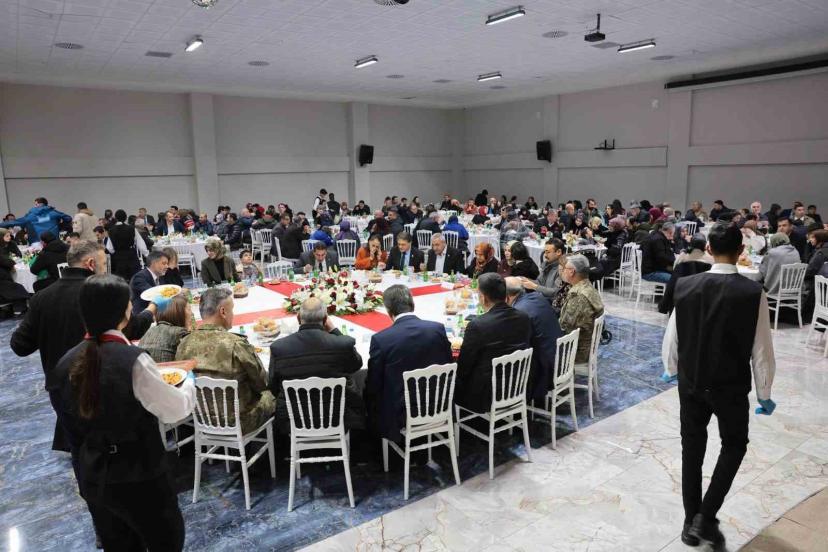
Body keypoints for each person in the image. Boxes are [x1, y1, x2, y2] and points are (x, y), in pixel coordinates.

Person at [51, 274, 193, 551]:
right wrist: (189, 384)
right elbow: (174, 410)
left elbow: (71, 430)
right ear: (126, 312)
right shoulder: (133, 361)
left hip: (94, 476)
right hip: (140, 474)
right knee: (165, 542)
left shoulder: (65, 362)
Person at [662, 222, 776, 548]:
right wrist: (764, 393)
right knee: (734, 445)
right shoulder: (752, 293)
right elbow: (761, 349)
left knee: (692, 448)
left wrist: (671, 369)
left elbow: (673, 336)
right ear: (741, 251)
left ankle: (691, 522)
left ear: (709, 249)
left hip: (691, 382)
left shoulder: (685, 285)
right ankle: (706, 516)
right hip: (730, 385)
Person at [176, 287, 276, 434]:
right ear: (223, 312)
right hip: (239, 422)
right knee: (273, 394)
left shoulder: (183, 343)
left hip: (201, 419)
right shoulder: (235, 344)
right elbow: (262, 382)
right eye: (232, 310)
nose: (233, 314)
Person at [364, 285, 452, 441]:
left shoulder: (382, 339)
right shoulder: (437, 329)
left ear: (388, 310)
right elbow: (449, 363)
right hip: (438, 403)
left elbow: (374, 383)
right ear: (412, 304)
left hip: (401, 413)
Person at [266, 296, 365, 433]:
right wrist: (334, 330)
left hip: (294, 419)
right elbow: (356, 365)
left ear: (298, 318)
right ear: (325, 320)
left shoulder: (279, 348)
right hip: (339, 417)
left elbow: (273, 386)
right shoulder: (341, 344)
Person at [455, 273, 532, 413]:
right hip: (517, 385)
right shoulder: (524, 317)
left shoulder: (478, 325)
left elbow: (464, 366)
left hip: (485, 395)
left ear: (483, 298)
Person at [504, 277, 562, 403]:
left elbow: (515, 345)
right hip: (559, 357)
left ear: (506, 297)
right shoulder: (538, 297)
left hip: (545, 369)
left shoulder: (518, 312)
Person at [559, 255, 605, 363]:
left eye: (564, 268)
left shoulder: (578, 296)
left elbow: (566, 327)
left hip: (578, 351)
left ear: (571, 271)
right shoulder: (588, 287)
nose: (562, 271)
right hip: (587, 345)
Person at [659, 235, 712, 314]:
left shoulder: (682, 258)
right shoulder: (711, 260)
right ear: (705, 246)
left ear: (691, 244)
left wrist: (664, 306)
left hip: (681, 300)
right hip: (702, 303)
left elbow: (672, 283)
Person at [138, 294, 191, 363]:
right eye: (189, 309)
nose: (191, 313)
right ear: (179, 313)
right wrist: (189, 333)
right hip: (167, 369)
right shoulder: (180, 333)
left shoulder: (148, 331)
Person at [0, 197, 72, 245]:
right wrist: (59, 225)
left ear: (39, 204)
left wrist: (2, 224)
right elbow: (68, 218)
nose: (34, 206)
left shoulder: (30, 216)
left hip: (37, 244)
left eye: (35, 204)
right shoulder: (54, 213)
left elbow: (14, 222)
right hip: (54, 242)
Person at [107, 209, 148, 281]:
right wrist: (146, 254)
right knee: (134, 278)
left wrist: (116, 252)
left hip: (118, 258)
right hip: (131, 255)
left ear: (116, 218)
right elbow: (140, 243)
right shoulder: (131, 228)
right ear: (125, 218)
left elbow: (109, 248)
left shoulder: (111, 230)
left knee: (121, 279)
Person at [521, 238, 565, 303]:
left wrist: (534, 286)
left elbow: (556, 292)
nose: (545, 255)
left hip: (552, 304)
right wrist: (526, 280)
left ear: (558, 252)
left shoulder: (564, 269)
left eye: (548, 252)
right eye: (545, 252)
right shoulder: (547, 265)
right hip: (542, 300)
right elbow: (539, 282)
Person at [129, 250, 170, 314]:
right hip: (142, 314)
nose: (167, 266)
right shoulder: (140, 277)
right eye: (164, 263)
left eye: (167, 264)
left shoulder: (160, 276)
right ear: (154, 263)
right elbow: (152, 293)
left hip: (157, 312)